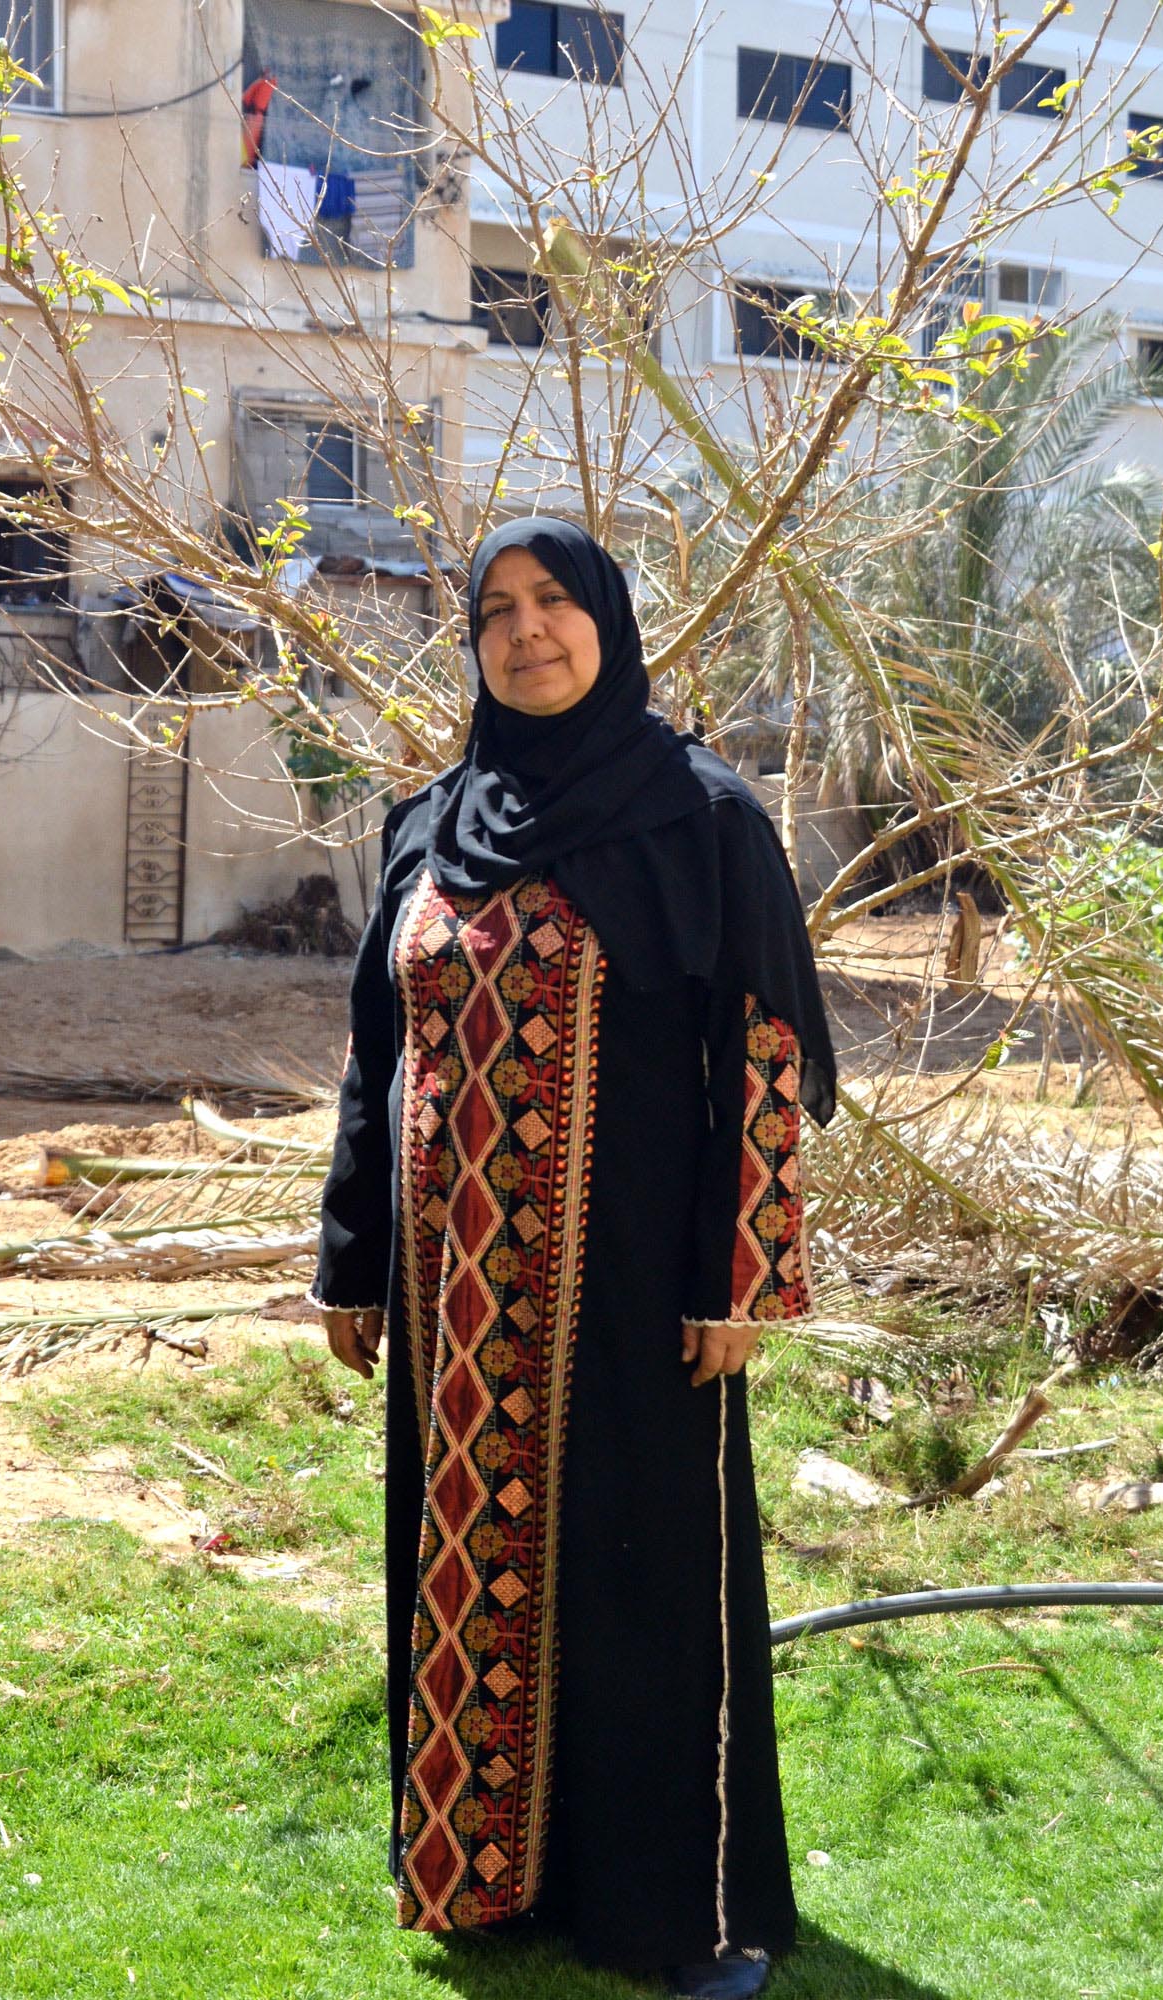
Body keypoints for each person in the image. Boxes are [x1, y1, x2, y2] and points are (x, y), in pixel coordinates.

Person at [310, 517, 837, 2000]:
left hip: (631, 1294)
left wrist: (741, 1276)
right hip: (456, 1306)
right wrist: (353, 1259)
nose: (526, 631)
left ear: (608, 619)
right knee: (464, 1573)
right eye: (495, 610)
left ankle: (677, 1917)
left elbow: (772, 1052)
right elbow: (379, 1054)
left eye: (554, 602)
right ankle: (491, 1883)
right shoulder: (430, 819)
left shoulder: (700, 816)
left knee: (647, 1591)